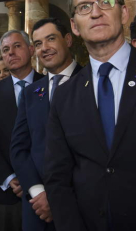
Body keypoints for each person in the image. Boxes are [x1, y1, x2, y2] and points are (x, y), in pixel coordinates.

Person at [44, 0, 136, 230]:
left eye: (106, 2)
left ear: (123, 13)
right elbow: (58, 178)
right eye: (84, 7)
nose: (96, 12)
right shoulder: (66, 96)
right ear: (75, 26)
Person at [10, 18, 82, 231]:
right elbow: (19, 148)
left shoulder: (90, 81)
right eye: (39, 43)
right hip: (37, 209)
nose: (45, 48)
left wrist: (60, 198)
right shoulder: (31, 92)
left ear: (68, 40)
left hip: (81, 206)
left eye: (51, 39)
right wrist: (38, 191)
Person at [0, 30, 43, 231]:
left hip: (45, 190)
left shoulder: (49, 85)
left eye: (17, 46)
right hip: (6, 191)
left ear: (31, 50)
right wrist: (9, 178)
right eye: (6, 50)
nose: (11, 53)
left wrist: (35, 180)